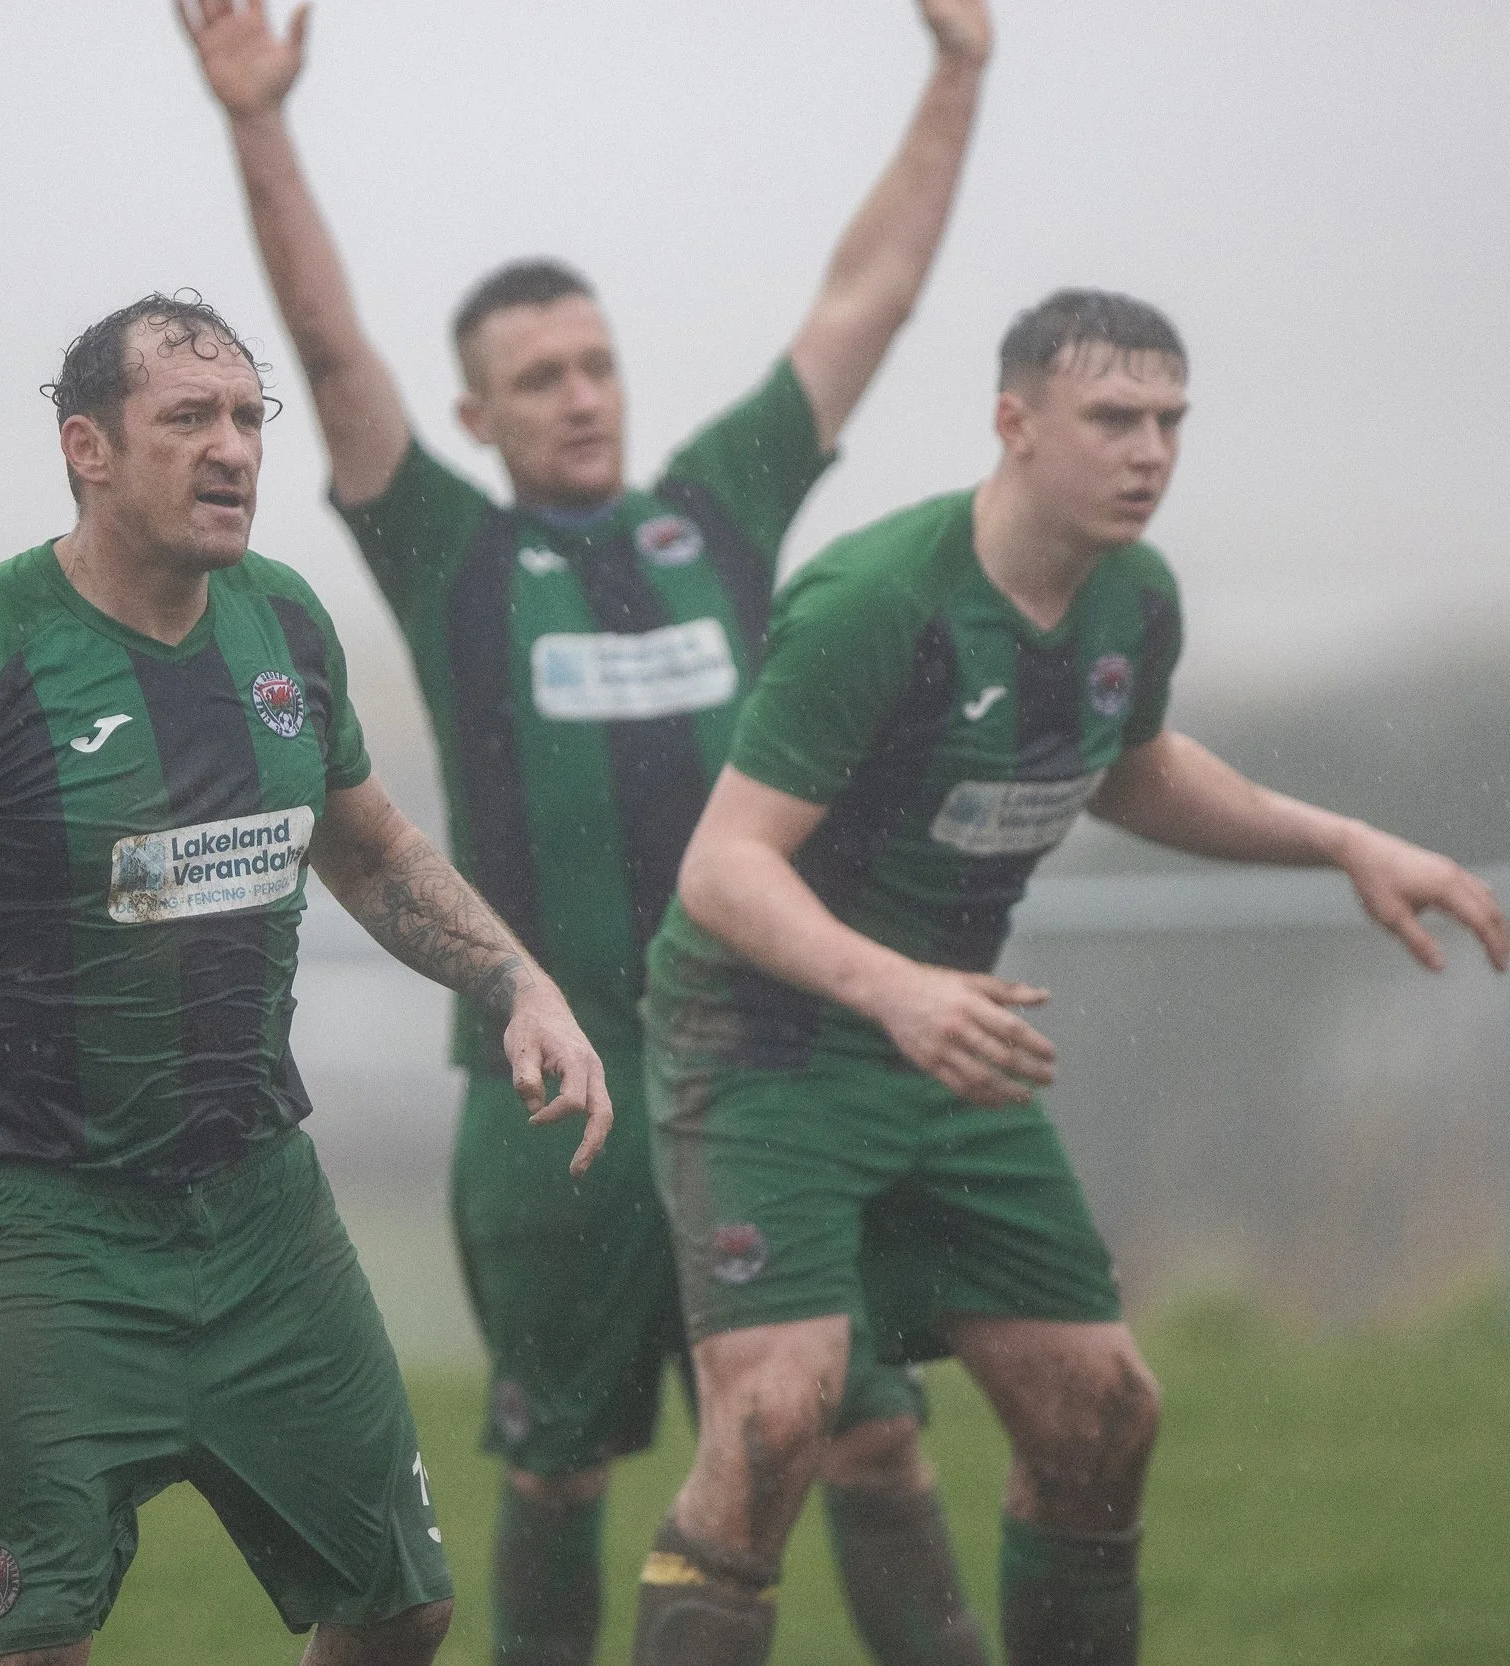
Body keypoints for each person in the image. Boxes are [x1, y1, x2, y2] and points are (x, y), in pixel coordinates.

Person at [179, 2, 996, 1660]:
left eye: (595, 364)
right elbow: (331, 359)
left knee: (869, 1427)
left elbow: (867, 300)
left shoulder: (719, 508)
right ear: (476, 418)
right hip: (558, 1094)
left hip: (772, 1075)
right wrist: (258, 120)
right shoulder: (453, 555)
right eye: (535, 379)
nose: (578, 397)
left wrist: (957, 72)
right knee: (555, 1474)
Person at [628, 290, 1510, 1666]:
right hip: (766, 1036)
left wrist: (1340, 839)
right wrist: (897, 989)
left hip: (945, 1038)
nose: (1149, 449)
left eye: (1169, 421)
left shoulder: (1132, 595)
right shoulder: (880, 600)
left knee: (1103, 1410)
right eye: (1113, 418)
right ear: (1015, 424)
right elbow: (725, 870)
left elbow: (1133, 765)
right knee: (774, 1420)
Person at [0, 293, 615, 1666]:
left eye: (248, 417)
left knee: (403, 1609)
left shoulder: (283, 624)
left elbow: (376, 849)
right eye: (189, 418)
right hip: (45, 1220)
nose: (233, 450)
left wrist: (522, 983)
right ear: (86, 447)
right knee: (37, 1635)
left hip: (260, 1207)